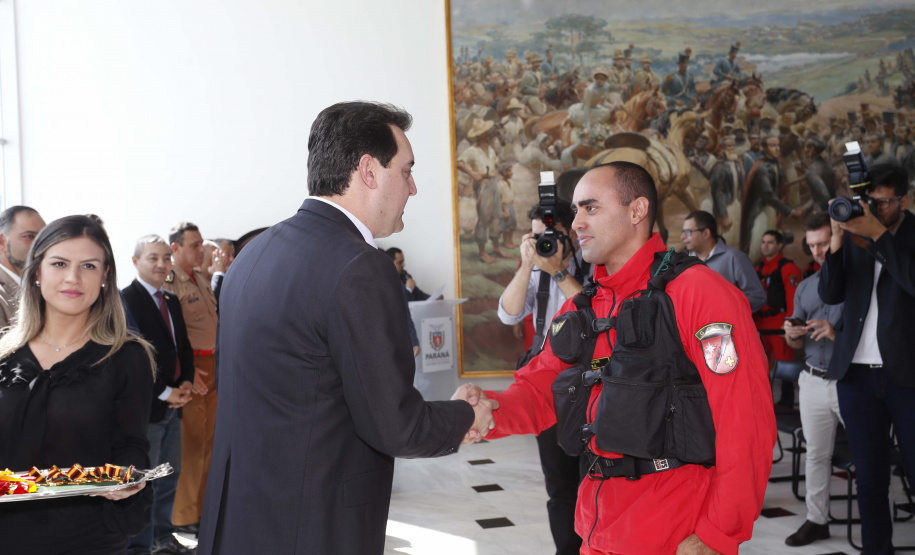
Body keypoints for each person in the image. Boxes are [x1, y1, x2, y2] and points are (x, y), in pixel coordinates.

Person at [197, 101, 493, 555]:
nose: (413, 188)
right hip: (313, 525)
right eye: (407, 170)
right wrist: (466, 416)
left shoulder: (253, 255)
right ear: (369, 170)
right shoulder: (359, 265)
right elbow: (394, 425)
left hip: (241, 518)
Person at [459, 161, 775, 554]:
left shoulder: (700, 293)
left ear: (637, 211)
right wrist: (487, 410)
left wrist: (718, 534)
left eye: (590, 208)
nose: (576, 224)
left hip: (674, 533)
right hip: (597, 530)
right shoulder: (586, 306)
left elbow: (745, 421)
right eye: (575, 211)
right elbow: (539, 387)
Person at [0, 215, 155, 554]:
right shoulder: (4, 356)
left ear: (105, 276)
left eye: (88, 265)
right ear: (37, 272)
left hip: (86, 538)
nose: (73, 277)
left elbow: (132, 444)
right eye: (59, 263)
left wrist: (130, 479)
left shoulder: (127, 357)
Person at [818, 164, 915, 554]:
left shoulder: (906, 235)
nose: (874, 209)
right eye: (868, 201)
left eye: (883, 203)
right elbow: (830, 294)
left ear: (903, 200)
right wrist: (839, 238)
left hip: (907, 375)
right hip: (855, 375)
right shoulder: (856, 234)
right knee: (870, 476)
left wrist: (878, 237)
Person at [497, 171, 586, 555]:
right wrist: (527, 264)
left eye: (549, 235)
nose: (544, 242)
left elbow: (594, 311)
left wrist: (560, 271)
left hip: (595, 386)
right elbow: (508, 314)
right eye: (536, 236)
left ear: (574, 234)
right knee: (559, 486)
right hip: (550, 391)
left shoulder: (595, 266)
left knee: (596, 480)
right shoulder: (538, 273)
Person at [123, 235, 196, 555]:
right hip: (148, 406)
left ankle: (164, 537)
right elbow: (132, 358)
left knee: (169, 474)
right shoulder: (125, 299)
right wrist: (165, 392)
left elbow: (182, 347)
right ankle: (141, 544)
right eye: (153, 258)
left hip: (176, 403)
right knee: (144, 480)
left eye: (166, 258)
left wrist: (188, 381)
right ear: (135, 262)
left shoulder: (171, 299)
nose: (161, 264)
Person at [781, 212, 844, 547]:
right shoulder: (805, 287)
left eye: (824, 243)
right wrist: (791, 332)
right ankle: (817, 520)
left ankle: (880, 519)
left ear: (836, 240)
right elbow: (794, 343)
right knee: (816, 454)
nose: (819, 251)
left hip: (851, 380)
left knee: (868, 453)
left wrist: (836, 333)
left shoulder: (857, 281)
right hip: (813, 380)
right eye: (813, 245)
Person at [163, 221, 219, 535]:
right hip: (193, 370)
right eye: (195, 245)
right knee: (191, 445)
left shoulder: (198, 278)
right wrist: (186, 370)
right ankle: (183, 517)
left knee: (209, 443)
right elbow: (170, 331)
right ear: (176, 248)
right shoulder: (171, 281)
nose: (201, 250)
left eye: (200, 244)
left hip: (212, 364)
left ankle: (201, 511)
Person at [754, 230, 803, 407]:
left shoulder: (788, 268)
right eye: (763, 242)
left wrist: (789, 323)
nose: (765, 245)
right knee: (760, 364)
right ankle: (763, 402)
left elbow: (792, 298)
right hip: (760, 323)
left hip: (779, 322)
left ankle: (787, 401)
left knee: (785, 362)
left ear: (779, 245)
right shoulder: (758, 268)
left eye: (770, 242)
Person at [681, 210, 766, 312]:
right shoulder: (685, 263)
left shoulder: (735, 258)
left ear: (706, 233)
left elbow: (758, 297)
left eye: (688, 232)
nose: (683, 237)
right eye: (683, 232)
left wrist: (724, 306)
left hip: (727, 326)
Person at [742, 135, 804, 262]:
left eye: (778, 146)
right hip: (761, 210)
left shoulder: (777, 164)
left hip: (772, 209)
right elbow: (767, 195)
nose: (777, 149)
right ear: (764, 148)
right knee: (757, 246)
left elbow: (779, 189)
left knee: (771, 245)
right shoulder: (762, 168)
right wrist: (790, 211)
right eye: (772, 146)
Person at [0, 206, 46, 330]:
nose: (39, 245)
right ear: (2, 242)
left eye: (43, 238)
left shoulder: (44, 285)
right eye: (29, 236)